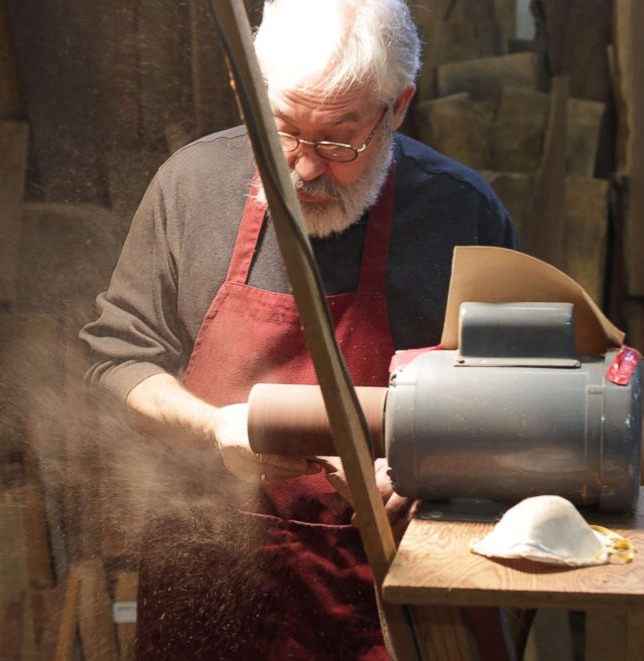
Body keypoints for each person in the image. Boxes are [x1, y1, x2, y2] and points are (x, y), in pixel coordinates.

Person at [80, 0, 519, 657]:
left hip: (383, 598)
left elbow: (519, 409)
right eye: (284, 130)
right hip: (210, 593)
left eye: (341, 141)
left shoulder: (462, 217)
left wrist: (435, 469)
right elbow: (118, 358)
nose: (307, 168)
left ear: (397, 106)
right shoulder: (190, 189)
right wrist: (212, 424)